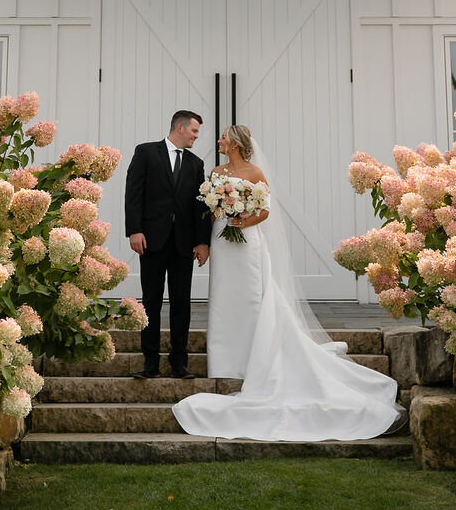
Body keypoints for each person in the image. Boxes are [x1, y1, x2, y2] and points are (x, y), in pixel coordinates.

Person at [172, 124, 408, 440]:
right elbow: (209, 210)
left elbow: (265, 211)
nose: (219, 141)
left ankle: (256, 359)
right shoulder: (215, 171)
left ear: (237, 143)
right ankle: (225, 361)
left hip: (246, 243)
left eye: (224, 138)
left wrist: (242, 218)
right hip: (223, 242)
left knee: (253, 298)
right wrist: (218, 212)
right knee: (223, 299)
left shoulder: (255, 173)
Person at [124, 109, 211, 378]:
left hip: (183, 245)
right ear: (180, 128)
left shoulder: (196, 164)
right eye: (195, 131)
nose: (197, 136)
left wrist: (202, 242)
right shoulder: (146, 152)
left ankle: (178, 361)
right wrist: (134, 230)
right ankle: (150, 362)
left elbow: (200, 207)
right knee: (150, 302)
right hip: (151, 240)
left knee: (181, 303)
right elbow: (133, 193)